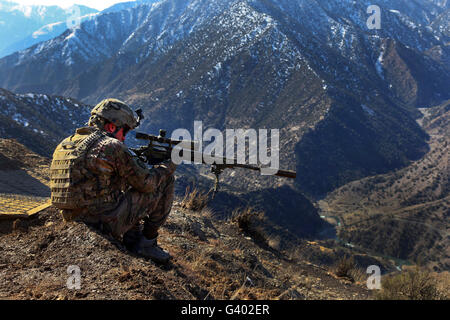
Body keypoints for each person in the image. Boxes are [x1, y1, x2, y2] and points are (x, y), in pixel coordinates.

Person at [50, 98, 176, 264]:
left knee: (120, 183)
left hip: (72, 218)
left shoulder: (66, 143)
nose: (123, 139)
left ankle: (132, 238)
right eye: (124, 132)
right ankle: (147, 244)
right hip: (102, 222)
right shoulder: (111, 146)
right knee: (164, 180)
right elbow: (147, 183)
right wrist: (168, 166)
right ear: (111, 126)